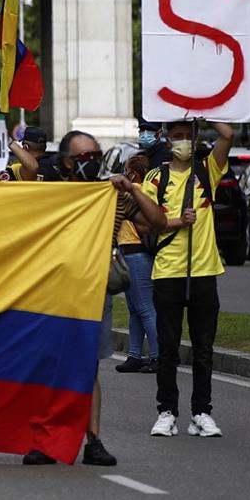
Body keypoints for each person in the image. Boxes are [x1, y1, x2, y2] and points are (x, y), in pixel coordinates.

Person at [15, 129, 160, 465]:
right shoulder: (46, 193)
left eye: (96, 157)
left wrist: (134, 189)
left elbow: (156, 222)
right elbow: (3, 202)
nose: (92, 164)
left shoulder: (112, 195)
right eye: (84, 158)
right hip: (49, 293)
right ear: (66, 161)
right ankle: (43, 442)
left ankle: (93, 441)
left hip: (93, 293)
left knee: (87, 369)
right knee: (47, 368)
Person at [143, 118, 236, 439]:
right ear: (167, 140)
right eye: (177, 136)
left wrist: (204, 108)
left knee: (203, 349)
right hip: (168, 271)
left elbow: (228, 134)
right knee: (167, 349)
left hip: (204, 271)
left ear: (196, 139)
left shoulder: (207, 170)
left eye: (188, 136)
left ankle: (201, 413)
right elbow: (146, 224)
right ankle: (166, 412)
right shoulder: (156, 178)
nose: (183, 141)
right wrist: (176, 222)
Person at [115, 144, 161, 375]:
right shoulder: (139, 191)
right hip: (128, 252)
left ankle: (157, 356)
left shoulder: (136, 191)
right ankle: (135, 355)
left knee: (145, 308)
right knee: (135, 309)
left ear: (134, 173)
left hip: (136, 253)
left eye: (126, 171)